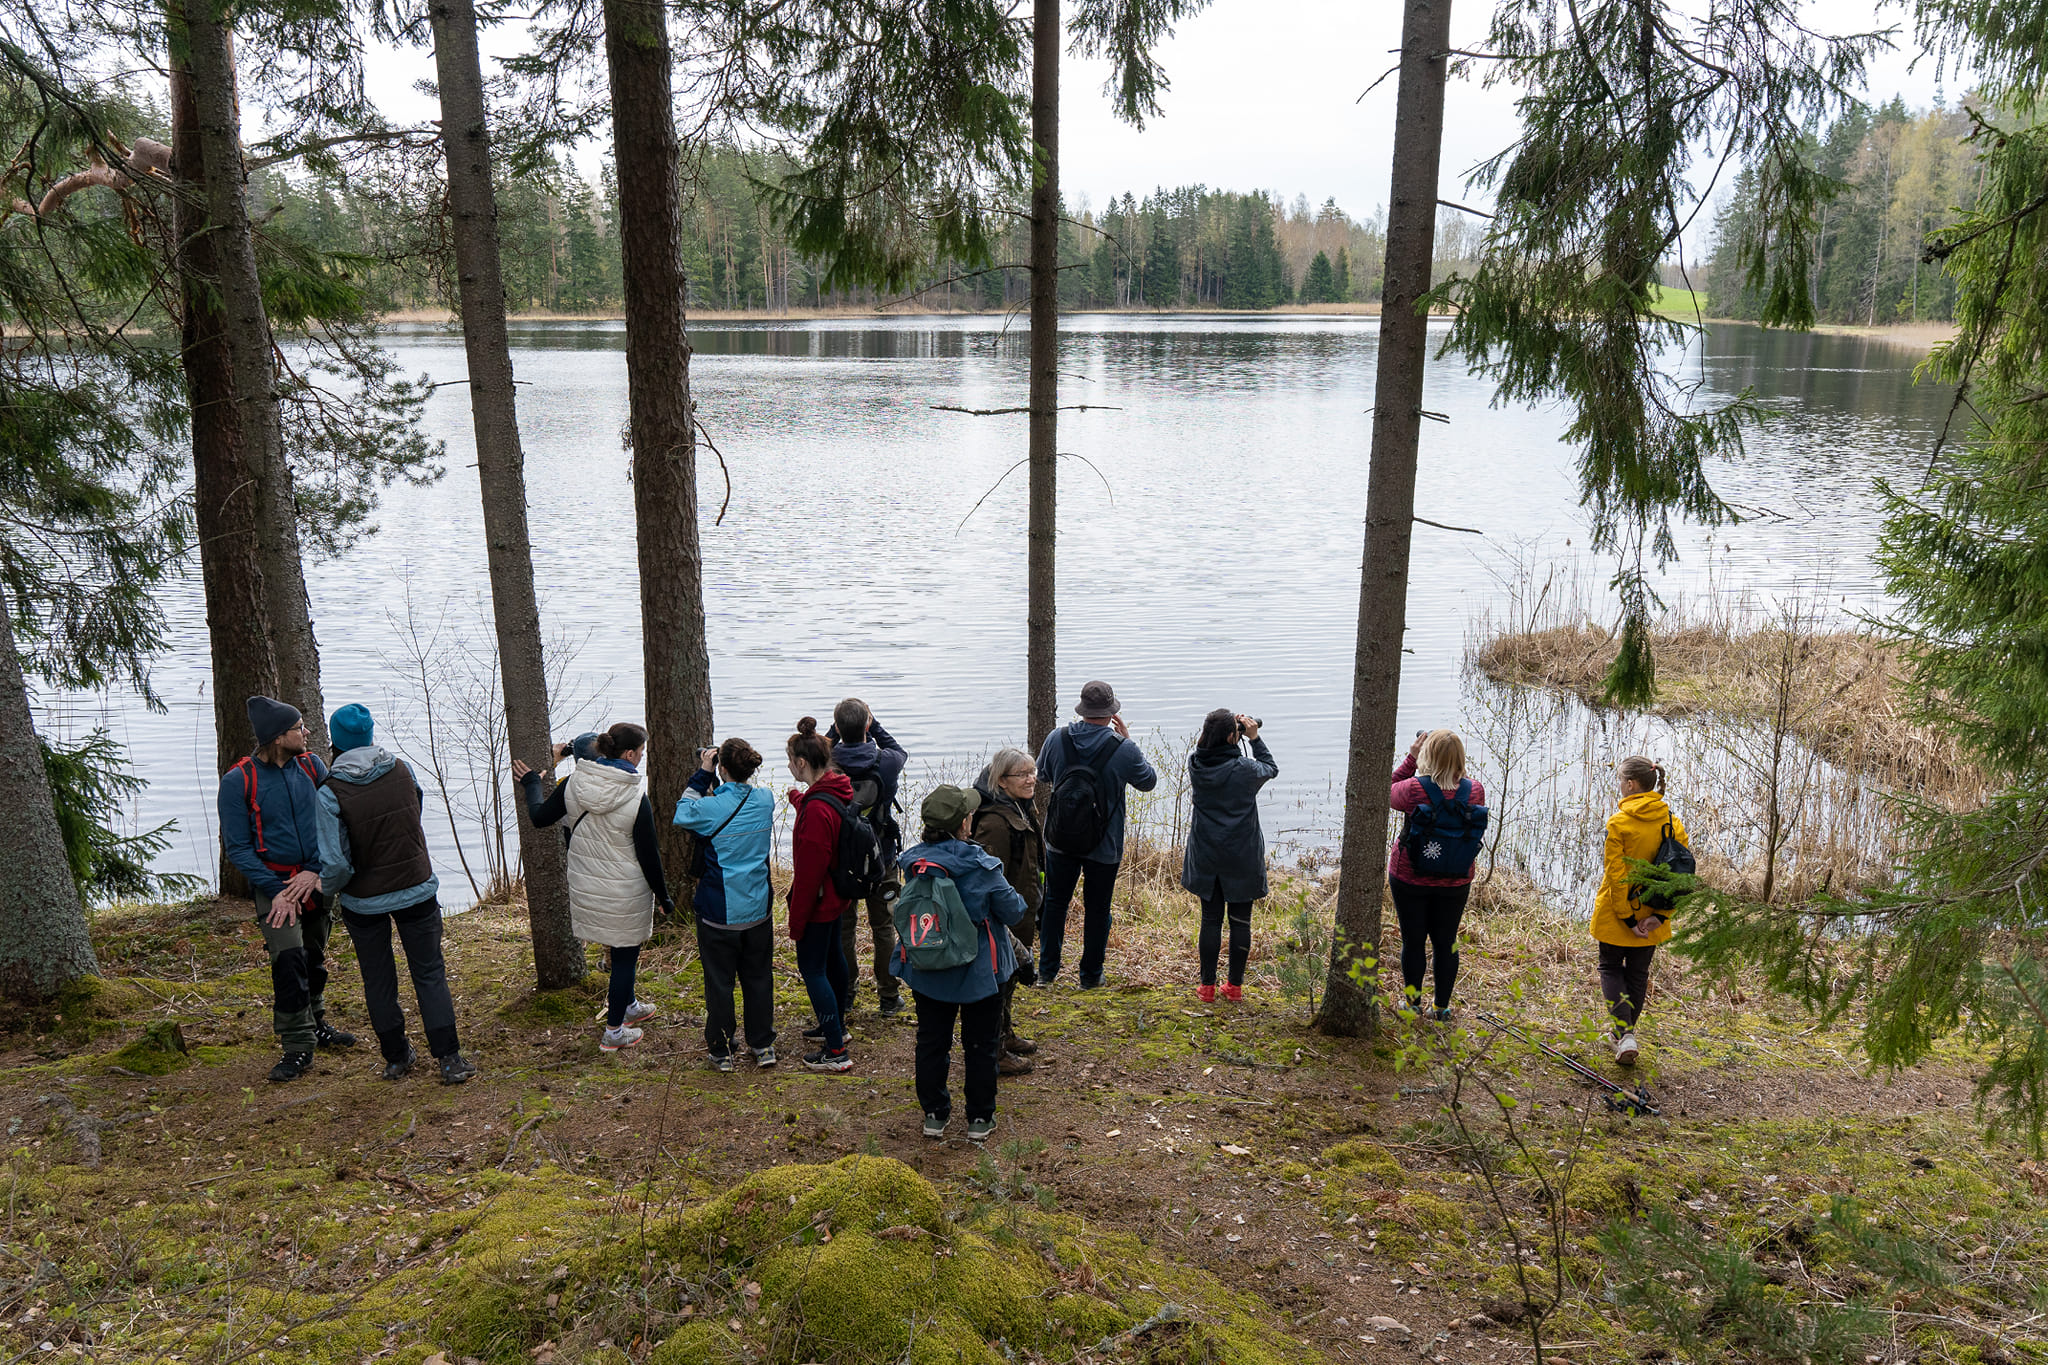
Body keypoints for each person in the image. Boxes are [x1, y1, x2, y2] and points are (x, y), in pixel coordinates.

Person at [315, 704, 475, 1085]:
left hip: (363, 902)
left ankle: (397, 1057)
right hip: (416, 888)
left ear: (336, 742)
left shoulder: (330, 792)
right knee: (430, 972)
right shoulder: (403, 769)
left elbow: (335, 865)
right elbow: (413, 815)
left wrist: (327, 890)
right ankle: (450, 1060)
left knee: (378, 979)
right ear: (370, 735)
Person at [218, 695, 355, 1083]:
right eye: (299, 727)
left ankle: (317, 1023)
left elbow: (334, 821)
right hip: (274, 888)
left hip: (314, 882)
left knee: (313, 956)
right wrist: (275, 890)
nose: (307, 732)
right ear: (278, 737)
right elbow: (237, 848)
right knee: (289, 959)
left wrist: (314, 871)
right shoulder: (238, 781)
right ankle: (297, 1046)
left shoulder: (312, 767)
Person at [512, 722, 673, 1052]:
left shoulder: (574, 783)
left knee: (618, 947)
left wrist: (532, 784)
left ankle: (628, 1005)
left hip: (587, 884)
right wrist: (664, 896)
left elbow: (540, 817)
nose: (642, 757)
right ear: (629, 755)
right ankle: (614, 1032)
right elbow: (649, 856)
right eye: (641, 752)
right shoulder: (635, 798)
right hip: (625, 890)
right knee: (625, 956)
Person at [893, 784, 1030, 1143]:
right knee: (980, 1044)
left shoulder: (914, 862)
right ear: (964, 824)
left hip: (927, 965)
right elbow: (1014, 910)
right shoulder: (980, 865)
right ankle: (980, 1119)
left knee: (931, 1041)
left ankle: (934, 1115)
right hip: (980, 972)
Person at [1034, 680, 1158, 987]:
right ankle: (1090, 977)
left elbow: (1043, 775)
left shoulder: (1057, 738)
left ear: (1082, 709)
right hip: (1104, 843)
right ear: (1111, 713)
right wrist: (1127, 741)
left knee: (1054, 903)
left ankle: (1046, 973)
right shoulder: (1123, 748)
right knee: (1098, 909)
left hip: (1060, 838)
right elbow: (1148, 782)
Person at [674, 737, 777, 1071]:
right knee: (758, 978)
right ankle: (762, 1044)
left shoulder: (709, 808)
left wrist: (704, 772)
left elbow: (682, 813)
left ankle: (721, 1049)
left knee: (720, 982)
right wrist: (719, 778)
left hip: (719, 912)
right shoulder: (765, 799)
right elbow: (736, 802)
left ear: (722, 767)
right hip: (757, 908)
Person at [1592, 755, 1688, 1066]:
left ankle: (1625, 1034)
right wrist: (1660, 917)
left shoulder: (1619, 823)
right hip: (1653, 914)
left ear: (1631, 784)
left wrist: (1628, 917)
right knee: (1638, 974)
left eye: (1621, 781)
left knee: (1609, 967)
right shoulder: (1672, 822)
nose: (1620, 785)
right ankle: (1623, 1036)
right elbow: (1682, 875)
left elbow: (1616, 876)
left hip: (1620, 912)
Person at [1388, 728, 1486, 1021]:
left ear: (1427, 754)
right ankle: (1441, 1008)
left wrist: (1411, 758)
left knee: (1413, 941)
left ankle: (1412, 1004)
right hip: (1456, 879)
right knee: (1446, 941)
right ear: (1460, 758)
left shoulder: (1413, 788)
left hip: (1409, 877)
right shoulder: (1475, 790)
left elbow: (1385, 790)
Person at [1181, 710, 1278, 1003]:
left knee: (1210, 920)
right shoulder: (1244, 769)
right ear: (1230, 737)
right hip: (1241, 855)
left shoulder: (1196, 764)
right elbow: (1270, 768)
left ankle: (1207, 987)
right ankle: (1234, 987)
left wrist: (1231, 731)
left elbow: (1210, 749)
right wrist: (1254, 738)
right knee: (1240, 921)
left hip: (1207, 854)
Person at [826, 699, 909, 1017]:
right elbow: (899, 750)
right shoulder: (886, 762)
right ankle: (888, 996)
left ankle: (846, 994)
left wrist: (834, 731)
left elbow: (817, 749)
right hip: (881, 858)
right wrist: (875, 727)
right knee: (883, 927)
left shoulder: (828, 763)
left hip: (841, 861)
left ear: (837, 727)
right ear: (867, 726)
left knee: (844, 929)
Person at [786, 717, 855, 1072]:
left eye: (790, 761)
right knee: (833, 960)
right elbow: (821, 813)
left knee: (813, 970)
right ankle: (837, 1027)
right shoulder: (835, 790)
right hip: (836, 897)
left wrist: (796, 921)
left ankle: (835, 1051)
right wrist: (798, 799)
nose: (789, 766)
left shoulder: (816, 809)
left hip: (818, 902)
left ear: (801, 763)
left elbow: (809, 874)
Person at [971, 748, 1044, 1073]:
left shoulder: (1020, 806)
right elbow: (989, 878)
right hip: (1004, 917)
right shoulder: (994, 823)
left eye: (1033, 772)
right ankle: (996, 1051)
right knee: (998, 982)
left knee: (1011, 977)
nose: (1031, 779)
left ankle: (1006, 1034)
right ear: (1002, 781)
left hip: (1021, 911)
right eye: (1022, 774)